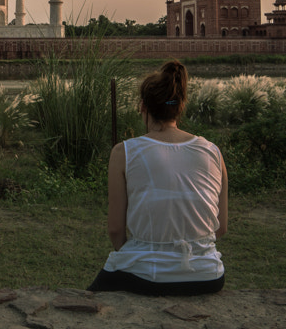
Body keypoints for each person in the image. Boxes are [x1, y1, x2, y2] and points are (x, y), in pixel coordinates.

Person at [87, 60, 228, 296]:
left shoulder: (125, 152)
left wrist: (146, 254)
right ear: (180, 106)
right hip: (208, 274)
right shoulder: (212, 151)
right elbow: (221, 227)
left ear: (142, 106)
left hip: (149, 274)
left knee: (91, 299)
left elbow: (115, 230)